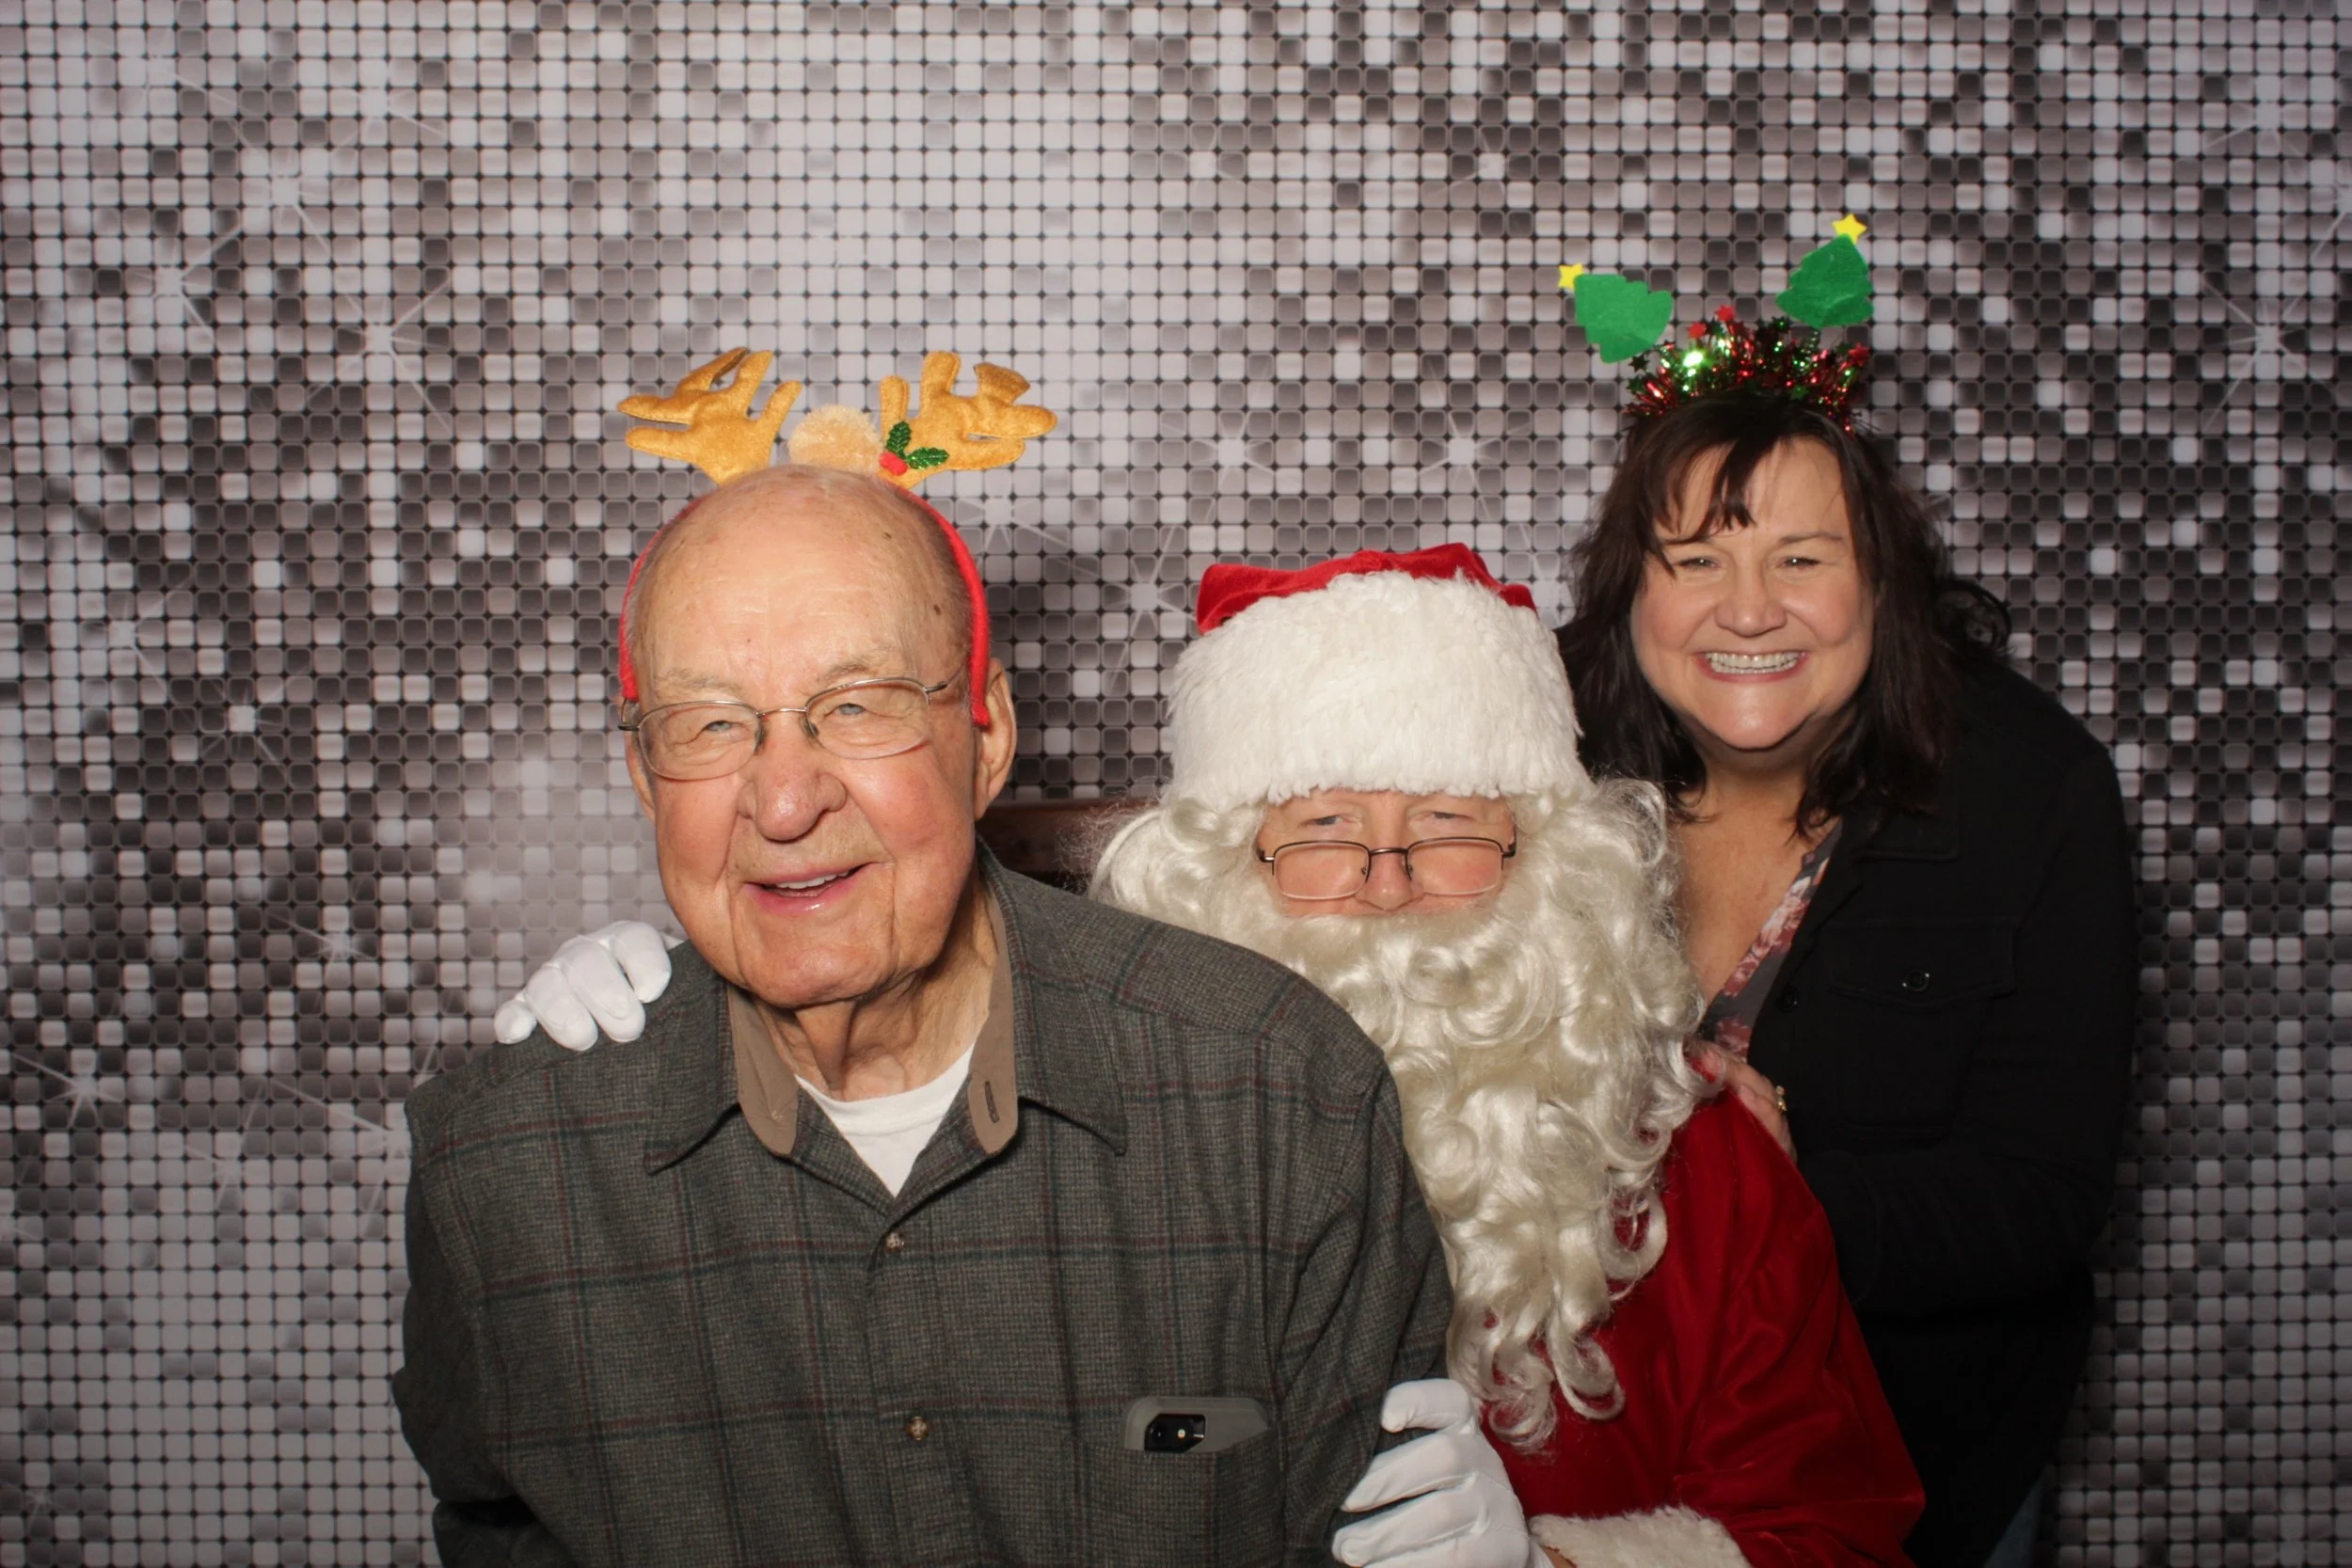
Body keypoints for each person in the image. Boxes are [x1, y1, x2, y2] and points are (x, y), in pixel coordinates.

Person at [506, 544, 1926, 1567]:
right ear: (1217, 875)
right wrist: (693, 1004)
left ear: (1551, 865)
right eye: (1316, 830)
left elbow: (1847, 1532)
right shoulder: (1071, 1112)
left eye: (1449, 823)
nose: (1384, 880)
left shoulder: (1703, 1162)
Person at [398, 457, 1453, 1563]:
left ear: (986, 735)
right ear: (641, 771)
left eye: (858, 706)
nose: (785, 798)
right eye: (709, 725)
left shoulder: (1280, 1099)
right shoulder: (500, 1175)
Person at [1553, 357, 2137, 1567]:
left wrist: (1773, 1188)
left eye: (1801, 559)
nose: (1749, 609)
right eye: (1695, 559)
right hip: (1567, 1446)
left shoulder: (2035, 788)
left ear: (1881, 580)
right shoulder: (1527, 756)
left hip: (1921, 1462)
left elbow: (2043, 1195)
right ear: (1629, 592)